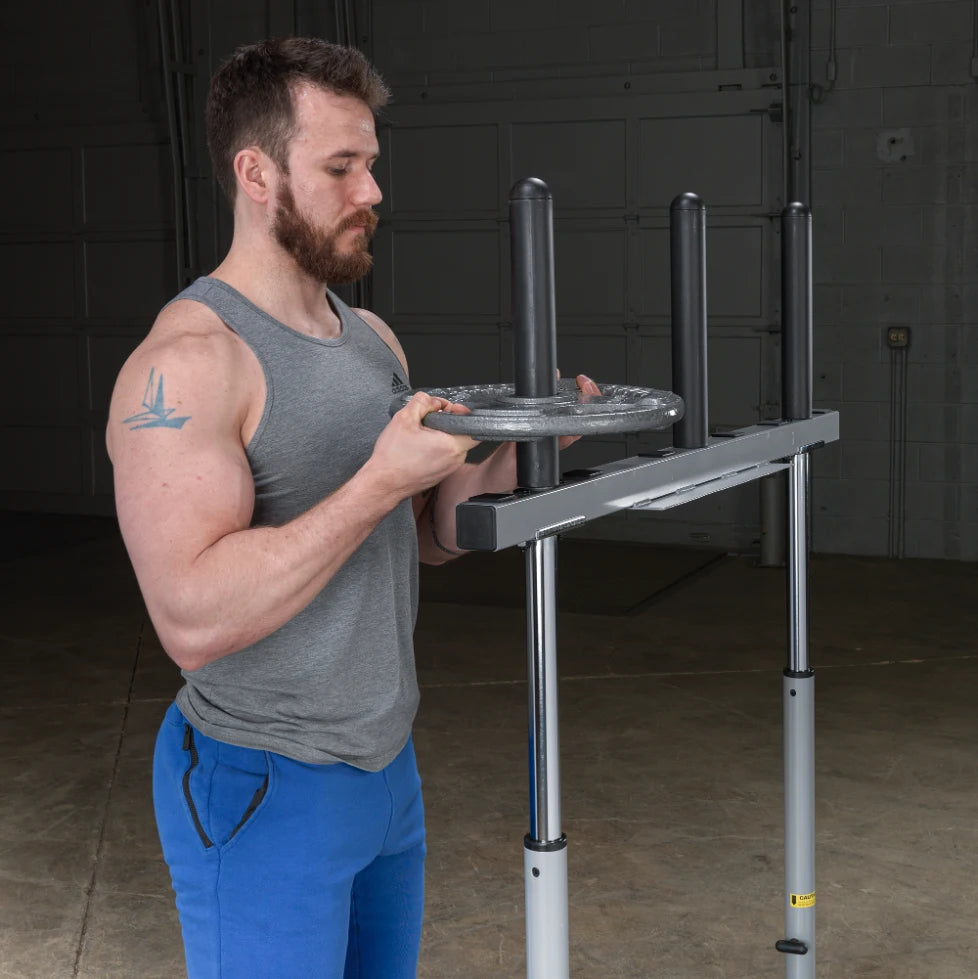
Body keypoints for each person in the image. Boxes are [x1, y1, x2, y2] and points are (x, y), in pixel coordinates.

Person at [107, 36, 597, 979]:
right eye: (341, 167)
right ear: (257, 174)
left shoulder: (370, 338)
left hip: (383, 766)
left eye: (371, 163)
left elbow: (425, 536)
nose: (372, 191)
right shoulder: (190, 363)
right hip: (263, 776)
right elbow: (191, 619)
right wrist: (379, 475)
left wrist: (520, 453)